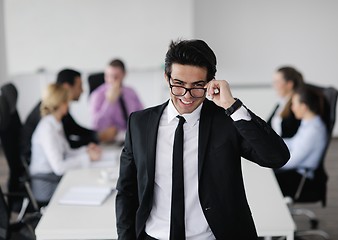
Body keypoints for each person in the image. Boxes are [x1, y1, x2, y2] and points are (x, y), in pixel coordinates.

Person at [115, 39, 290, 240]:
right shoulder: (139, 123)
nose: (187, 96)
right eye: (179, 85)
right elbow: (126, 190)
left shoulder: (227, 121)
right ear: (167, 77)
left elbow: (276, 157)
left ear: (210, 83)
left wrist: (232, 106)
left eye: (197, 86)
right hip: (153, 236)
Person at [29, 83, 102, 203]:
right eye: (67, 102)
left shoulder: (56, 123)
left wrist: (87, 150)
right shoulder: (47, 129)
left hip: (56, 178)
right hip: (47, 184)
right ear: (61, 103)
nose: (69, 105)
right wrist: (87, 157)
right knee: (87, 190)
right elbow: (59, 167)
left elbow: (67, 152)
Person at [22, 69, 102, 161]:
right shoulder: (49, 115)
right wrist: (94, 140)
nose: (83, 90)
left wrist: (95, 137)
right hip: (40, 163)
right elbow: (66, 144)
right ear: (67, 87)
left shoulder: (55, 109)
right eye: (79, 86)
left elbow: (74, 130)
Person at [275, 86, 327, 198]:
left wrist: (270, 162)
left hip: (300, 179)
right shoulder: (308, 123)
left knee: (265, 178)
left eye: (294, 104)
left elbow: (292, 161)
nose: (292, 108)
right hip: (294, 171)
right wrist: (273, 143)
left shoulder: (313, 131)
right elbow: (293, 143)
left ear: (303, 107)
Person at [90, 59, 143, 143]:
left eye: (116, 77)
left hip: (131, 138)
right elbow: (97, 126)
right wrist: (109, 102)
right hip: (109, 142)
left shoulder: (131, 92)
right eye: (108, 76)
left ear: (124, 74)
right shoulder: (97, 95)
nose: (111, 80)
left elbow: (142, 116)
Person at [268, 66, 305, 138]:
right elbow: (267, 125)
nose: (274, 85)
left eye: (277, 82)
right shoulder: (281, 103)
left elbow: (290, 135)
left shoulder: (295, 107)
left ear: (289, 84)